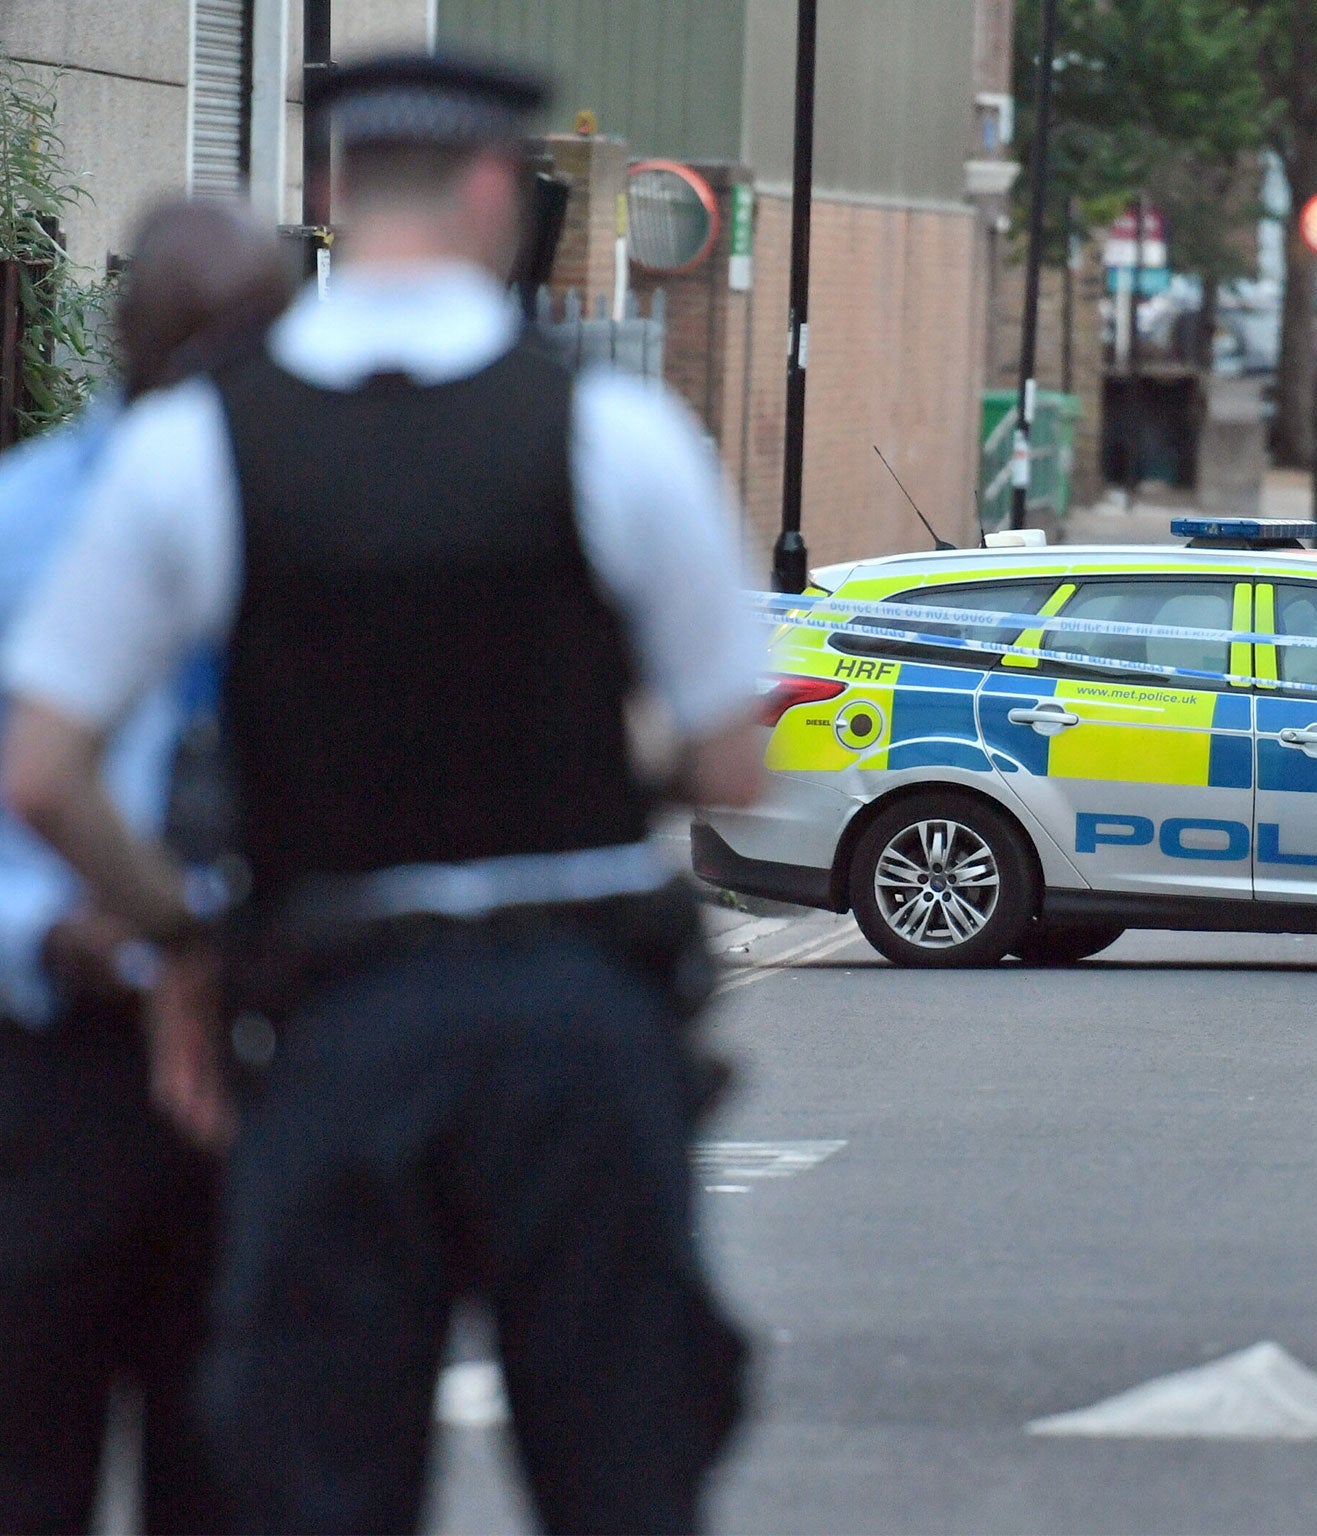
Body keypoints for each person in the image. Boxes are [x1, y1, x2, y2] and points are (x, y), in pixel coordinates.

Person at [1, 54, 764, 1535]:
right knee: (621, 1467)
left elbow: (42, 769)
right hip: (574, 1015)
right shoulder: (612, 434)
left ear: (335, 197)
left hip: (338, 1017)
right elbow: (733, 758)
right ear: (497, 193)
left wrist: (190, 927)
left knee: (319, 1474)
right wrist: (573, 764)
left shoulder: (196, 445)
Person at [0, 199, 294, 1535]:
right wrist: (47, 931)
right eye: (205, 342)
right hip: (49, 1061)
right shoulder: (23, 521)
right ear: (130, 337)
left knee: (234, 1473)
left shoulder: (317, 536)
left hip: (260, 1058)